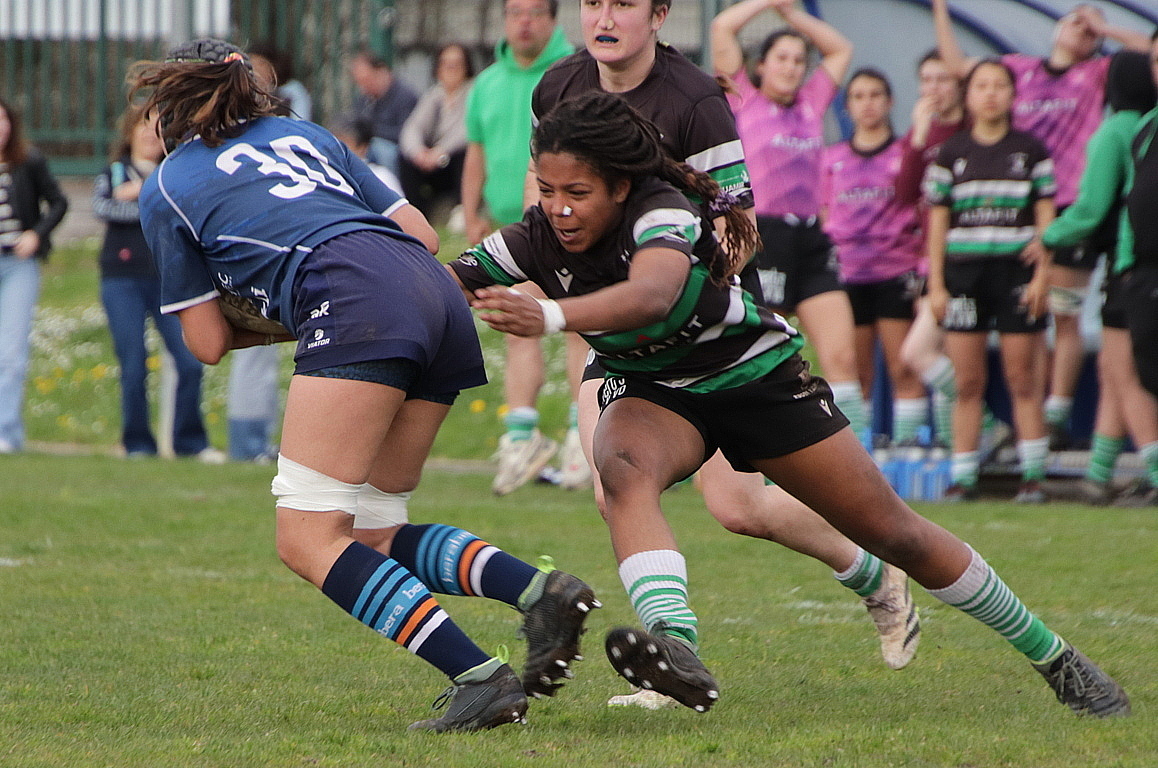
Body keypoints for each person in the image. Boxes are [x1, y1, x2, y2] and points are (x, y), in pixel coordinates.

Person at [450, 89, 1130, 719]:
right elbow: (446, 278)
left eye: (578, 192)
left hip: (754, 381)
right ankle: (675, 645)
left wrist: (546, 316)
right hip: (659, 392)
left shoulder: (660, 209)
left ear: (621, 186)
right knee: (621, 467)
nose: (560, 208)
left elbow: (653, 294)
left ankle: (1056, 658)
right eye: (548, 191)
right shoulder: (536, 234)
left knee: (897, 534)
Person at [133, 38, 598, 733]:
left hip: (354, 304)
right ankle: (539, 591)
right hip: (432, 296)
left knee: (306, 536)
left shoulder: (169, 184)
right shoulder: (301, 132)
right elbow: (418, 230)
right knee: (374, 530)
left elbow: (204, 343)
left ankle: (480, 678)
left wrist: (290, 315)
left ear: (167, 104)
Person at [534, 1, 920, 711]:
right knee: (613, 483)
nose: (604, 16)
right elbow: (549, 210)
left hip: (702, 338)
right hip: (621, 334)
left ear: (658, 14)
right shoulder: (556, 88)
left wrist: (671, 297)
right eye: (592, 0)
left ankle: (873, 576)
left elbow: (737, 227)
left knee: (741, 508)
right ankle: (671, 656)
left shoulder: (695, 102)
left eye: (623, 2)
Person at [932, 0, 1151, 449]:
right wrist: (939, 7)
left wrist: (1107, 28)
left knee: (1062, 314)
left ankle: (1056, 412)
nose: (1080, 28)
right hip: (1012, 211)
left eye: (1088, 24)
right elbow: (957, 65)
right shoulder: (1019, 69)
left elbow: (1149, 52)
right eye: (1074, 17)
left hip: (1068, 208)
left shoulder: (1096, 73)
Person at [712, 0, 868, 442]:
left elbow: (840, 50)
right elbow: (722, 27)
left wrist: (793, 16)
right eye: (781, 58)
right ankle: (761, 449)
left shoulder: (812, 103)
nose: (792, 68)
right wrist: (767, 4)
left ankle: (862, 458)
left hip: (811, 239)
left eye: (799, 61)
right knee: (768, 353)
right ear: (761, 66)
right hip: (764, 235)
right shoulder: (744, 99)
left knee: (841, 354)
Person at [462, 0, 579, 495]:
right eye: (514, 12)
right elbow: (477, 150)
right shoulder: (487, 82)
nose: (523, 22)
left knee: (581, 327)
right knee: (517, 327)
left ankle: (583, 439)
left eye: (534, 12)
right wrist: (471, 212)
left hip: (570, 223)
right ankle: (522, 441)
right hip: (513, 228)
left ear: (553, 19)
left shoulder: (574, 71)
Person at [924, 59, 1055, 503]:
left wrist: (1043, 275)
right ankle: (963, 478)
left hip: (1017, 276)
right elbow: (937, 224)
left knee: (1022, 379)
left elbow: (1046, 220)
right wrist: (937, 285)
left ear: (1013, 95)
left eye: (1000, 85)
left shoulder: (1033, 151)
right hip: (964, 276)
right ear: (969, 95)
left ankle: (1033, 477)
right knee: (967, 382)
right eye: (982, 85)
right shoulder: (951, 153)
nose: (991, 93)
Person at [1033, 50, 1158, 506]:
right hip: (1134, 267)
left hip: (1130, 266)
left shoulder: (1116, 131)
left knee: (1125, 374)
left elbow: (1091, 208)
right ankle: (1100, 473)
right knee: (1112, 370)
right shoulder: (1147, 125)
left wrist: (1046, 235)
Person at [93, 105, 215, 459]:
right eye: (142, 126)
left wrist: (141, 192)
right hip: (122, 280)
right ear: (129, 132)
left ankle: (190, 443)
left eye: (159, 128)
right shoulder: (115, 172)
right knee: (133, 365)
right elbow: (104, 208)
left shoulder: (174, 175)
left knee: (192, 361)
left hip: (171, 282)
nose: (150, 133)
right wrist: (151, 204)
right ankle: (138, 445)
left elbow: (188, 215)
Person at [820, 69, 926, 445]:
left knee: (904, 367)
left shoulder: (905, 154)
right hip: (848, 276)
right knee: (855, 372)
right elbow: (822, 213)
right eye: (859, 96)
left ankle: (908, 449)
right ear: (847, 106)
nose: (867, 104)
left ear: (890, 101)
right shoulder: (831, 158)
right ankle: (861, 454)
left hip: (896, 270)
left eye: (875, 95)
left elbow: (923, 208)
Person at [0, 97, 68, 453]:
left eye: (3, 119)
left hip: (18, 266)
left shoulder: (28, 162)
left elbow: (59, 202)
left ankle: (6, 432)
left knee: (10, 351)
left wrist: (36, 234)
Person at [1117, 31, 1158, 480]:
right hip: (1144, 274)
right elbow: (1133, 201)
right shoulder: (1145, 127)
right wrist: (1127, 266)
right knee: (1148, 376)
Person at [399, 43, 473, 219]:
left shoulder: (474, 92)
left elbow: (466, 131)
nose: (451, 69)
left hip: (452, 157)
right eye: (446, 64)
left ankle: (461, 209)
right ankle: (416, 211)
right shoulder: (434, 95)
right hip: (434, 161)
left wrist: (441, 151)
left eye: (456, 64)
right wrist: (418, 152)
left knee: (466, 154)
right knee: (404, 158)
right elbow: (413, 127)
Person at [349, 47, 419, 178]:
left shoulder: (405, 96)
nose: (363, 87)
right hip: (368, 145)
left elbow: (406, 133)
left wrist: (371, 133)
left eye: (366, 80)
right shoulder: (365, 98)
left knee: (381, 149)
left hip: (398, 152)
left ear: (381, 72)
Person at [249, 43, 312, 121]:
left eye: (261, 64)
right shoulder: (245, 91)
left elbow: (300, 121)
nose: (255, 69)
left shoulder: (292, 91)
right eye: (252, 64)